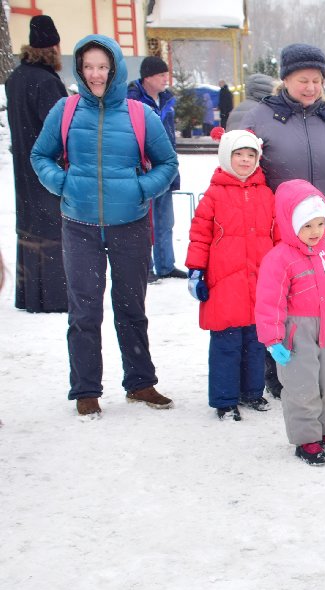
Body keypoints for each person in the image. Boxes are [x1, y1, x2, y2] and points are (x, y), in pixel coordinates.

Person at [31, 34, 179, 416]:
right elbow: (40, 155)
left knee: (131, 307)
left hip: (130, 225)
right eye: (88, 67)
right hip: (79, 226)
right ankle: (85, 389)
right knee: (84, 311)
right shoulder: (65, 110)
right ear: (80, 70)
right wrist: (63, 183)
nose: (95, 74)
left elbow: (167, 163)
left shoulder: (139, 115)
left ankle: (140, 383)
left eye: (102, 66)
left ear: (114, 69)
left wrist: (141, 189)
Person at [241, 43, 325, 400]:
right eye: (302, 80)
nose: (310, 87)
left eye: (316, 80)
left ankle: (321, 375)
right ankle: (278, 374)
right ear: (285, 80)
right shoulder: (261, 119)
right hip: (280, 237)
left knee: (323, 305)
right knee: (283, 303)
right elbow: (246, 173)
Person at [254, 180, 325, 465]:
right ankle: (306, 438)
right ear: (291, 224)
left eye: (320, 224)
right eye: (307, 226)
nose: (315, 232)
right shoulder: (279, 259)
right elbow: (270, 302)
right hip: (296, 332)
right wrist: (273, 340)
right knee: (301, 386)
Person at [185, 129, 277, 420]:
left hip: (259, 281)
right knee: (227, 343)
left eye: (251, 155)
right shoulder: (214, 195)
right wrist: (196, 270)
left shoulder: (266, 194)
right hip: (224, 283)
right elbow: (200, 235)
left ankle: (252, 392)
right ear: (227, 156)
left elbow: (276, 236)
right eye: (239, 154)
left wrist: (281, 273)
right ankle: (224, 399)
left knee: (255, 341)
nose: (245, 160)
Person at [5, 15, 69, 313]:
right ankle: (54, 297)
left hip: (23, 164)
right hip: (46, 167)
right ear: (54, 47)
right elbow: (58, 129)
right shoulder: (47, 82)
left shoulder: (17, 77)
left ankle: (29, 295)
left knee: (30, 227)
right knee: (52, 228)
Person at [127, 55, 184, 283]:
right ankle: (146, 266)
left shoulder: (166, 101)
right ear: (148, 77)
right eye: (161, 74)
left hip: (165, 167)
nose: (165, 79)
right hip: (143, 170)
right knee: (144, 221)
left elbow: (170, 137)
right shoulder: (132, 101)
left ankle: (166, 265)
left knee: (165, 221)